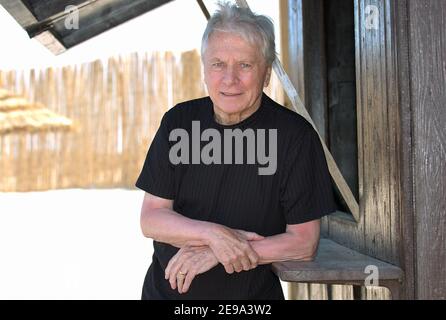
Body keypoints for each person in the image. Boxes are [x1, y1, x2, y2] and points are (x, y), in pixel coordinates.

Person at [136, 2, 337, 300]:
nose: (230, 79)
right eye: (218, 64)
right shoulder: (178, 122)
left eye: (245, 65)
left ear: (266, 73)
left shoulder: (295, 138)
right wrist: (215, 236)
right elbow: (151, 218)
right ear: (204, 68)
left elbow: (303, 243)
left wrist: (219, 252)